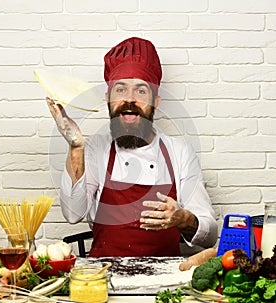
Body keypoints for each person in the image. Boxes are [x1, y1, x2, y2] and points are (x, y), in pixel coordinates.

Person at [47, 37, 218, 257]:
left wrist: (182, 218)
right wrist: (75, 147)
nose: (129, 100)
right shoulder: (96, 148)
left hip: (163, 281)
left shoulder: (179, 152)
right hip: (103, 278)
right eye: (120, 90)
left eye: (140, 91)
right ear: (108, 99)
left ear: (156, 102)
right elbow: (72, 214)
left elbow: (210, 235)